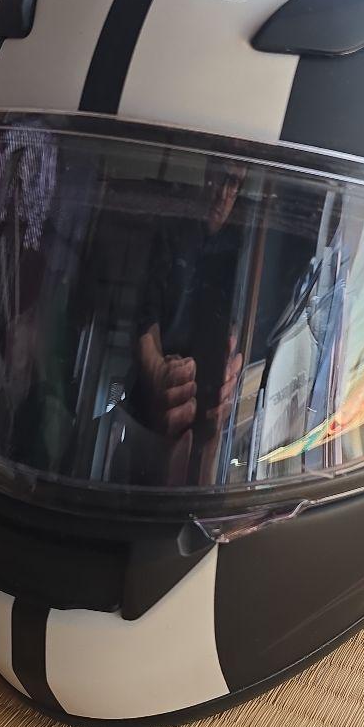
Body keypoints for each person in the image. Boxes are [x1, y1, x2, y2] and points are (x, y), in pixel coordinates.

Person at [133, 160, 248, 485]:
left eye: (233, 184)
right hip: (155, 395)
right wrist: (157, 374)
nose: (222, 194)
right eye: (219, 178)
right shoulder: (172, 227)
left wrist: (232, 372)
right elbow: (146, 314)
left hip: (213, 400)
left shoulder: (243, 244)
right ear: (206, 171)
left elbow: (239, 330)